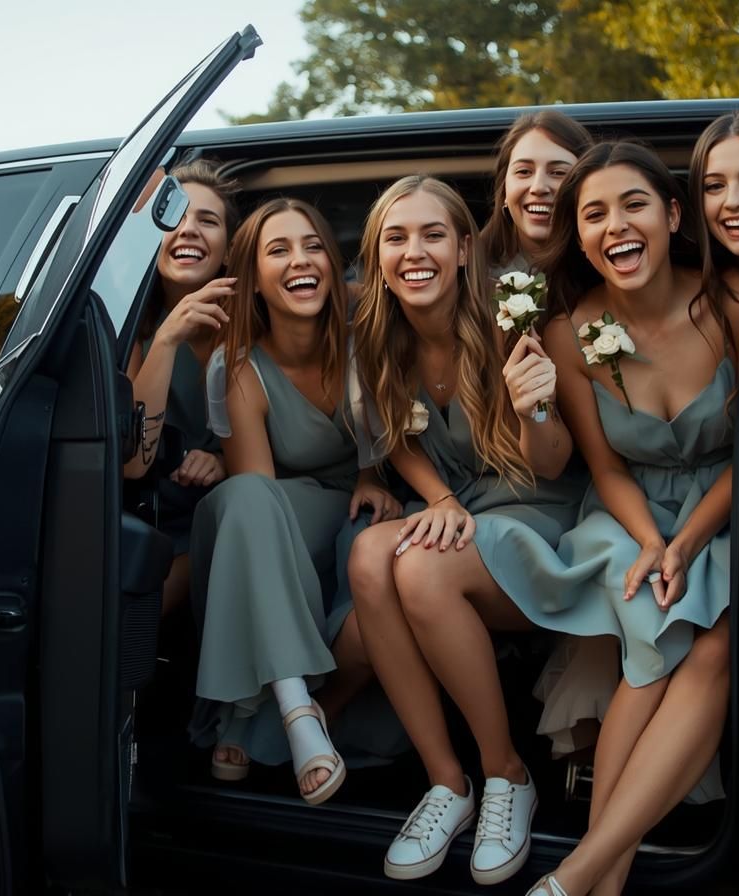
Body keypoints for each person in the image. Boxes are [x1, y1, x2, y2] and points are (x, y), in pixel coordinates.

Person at [522, 132, 739, 896]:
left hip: (724, 509)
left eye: (634, 203)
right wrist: (651, 543)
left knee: (711, 648)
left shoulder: (731, 301)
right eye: (594, 214)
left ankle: (580, 877)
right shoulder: (568, 334)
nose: (615, 226)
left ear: (672, 213)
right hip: (628, 516)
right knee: (654, 628)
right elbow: (602, 466)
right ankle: (592, 880)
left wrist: (689, 540)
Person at [347, 175, 585, 884]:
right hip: (469, 506)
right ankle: (447, 784)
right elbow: (397, 437)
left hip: (543, 511)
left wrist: (533, 405)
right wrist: (440, 497)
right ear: (378, 256)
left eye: (432, 234)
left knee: (417, 565)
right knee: (367, 557)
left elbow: (553, 462)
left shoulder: (514, 315)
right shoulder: (375, 334)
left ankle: (506, 772)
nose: (413, 251)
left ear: (462, 249)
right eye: (396, 237)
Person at [188, 197, 403, 805]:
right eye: (278, 250)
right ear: (252, 279)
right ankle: (294, 706)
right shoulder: (238, 370)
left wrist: (371, 473)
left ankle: (243, 719)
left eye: (312, 246)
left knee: (304, 522)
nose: (300, 261)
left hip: (373, 499)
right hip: (283, 511)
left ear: (334, 266)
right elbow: (261, 490)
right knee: (246, 497)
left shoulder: (369, 327)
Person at [123, 159, 240, 617]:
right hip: (152, 521)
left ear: (229, 248)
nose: (188, 230)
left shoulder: (257, 327)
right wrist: (168, 338)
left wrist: (226, 461)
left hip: (229, 517)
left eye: (207, 220)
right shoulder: (134, 331)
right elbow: (134, 463)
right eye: (174, 217)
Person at [480, 110, 594, 278]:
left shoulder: (611, 271)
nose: (538, 187)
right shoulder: (469, 274)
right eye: (524, 171)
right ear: (504, 189)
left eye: (558, 173)